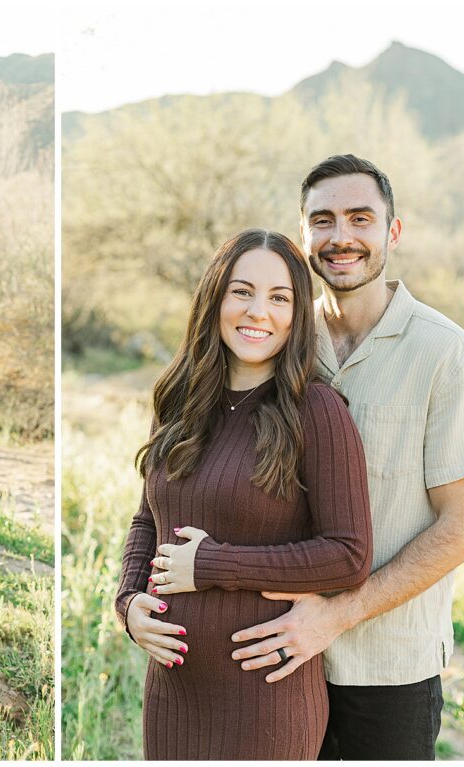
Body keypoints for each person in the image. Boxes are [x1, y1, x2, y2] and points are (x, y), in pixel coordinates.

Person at [225, 155, 464, 760]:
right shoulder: (279, 342)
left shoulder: (446, 355)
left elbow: (462, 528)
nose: (341, 236)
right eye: (322, 220)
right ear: (303, 235)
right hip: (270, 656)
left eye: (361, 218)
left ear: (392, 233)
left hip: (387, 669)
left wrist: (336, 617)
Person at [115, 228, 373, 759]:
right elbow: (150, 517)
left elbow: (349, 556)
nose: (259, 312)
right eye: (242, 291)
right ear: (215, 297)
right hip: (173, 695)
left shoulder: (316, 411)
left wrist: (213, 565)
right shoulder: (181, 400)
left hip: (264, 703)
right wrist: (127, 603)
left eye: (279, 298)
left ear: (298, 313)